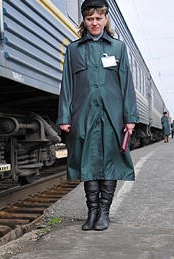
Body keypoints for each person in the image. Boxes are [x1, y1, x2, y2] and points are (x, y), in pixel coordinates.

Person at [56, 0, 139, 231]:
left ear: (105, 19)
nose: (94, 23)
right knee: (88, 161)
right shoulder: (73, 49)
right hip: (83, 114)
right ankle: (91, 211)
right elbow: (67, 84)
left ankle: (104, 212)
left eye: (98, 18)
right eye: (90, 18)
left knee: (110, 161)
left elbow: (126, 84)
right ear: (84, 20)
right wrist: (64, 117)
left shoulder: (117, 47)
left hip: (113, 115)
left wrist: (129, 117)